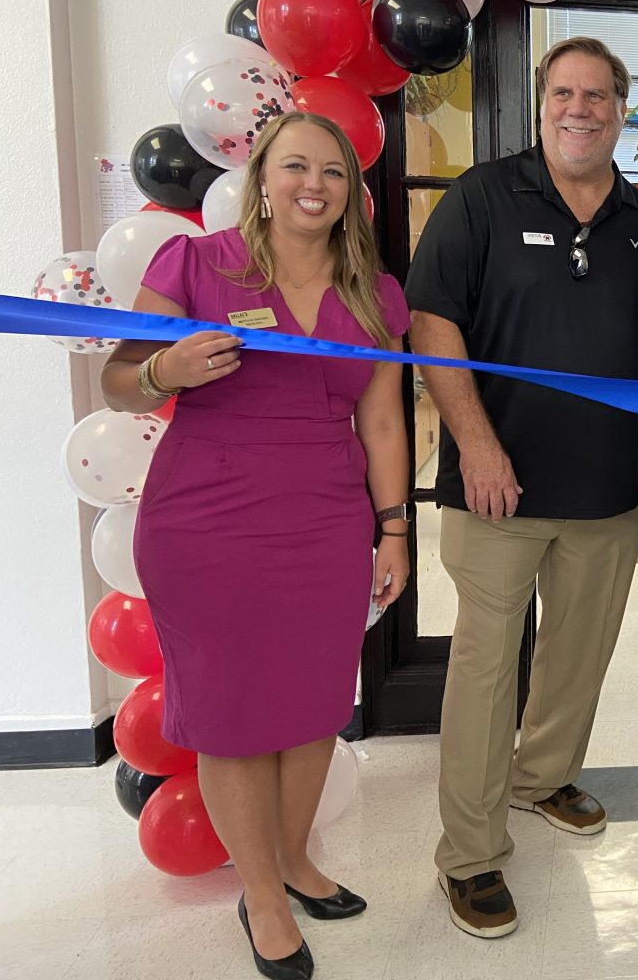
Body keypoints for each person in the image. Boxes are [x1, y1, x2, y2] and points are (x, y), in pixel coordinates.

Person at [103, 112, 411, 980]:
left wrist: (394, 525)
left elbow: (382, 417)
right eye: (294, 166)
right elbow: (119, 379)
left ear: (352, 191)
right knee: (236, 721)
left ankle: (294, 858)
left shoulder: (376, 294)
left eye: (334, 172)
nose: (313, 183)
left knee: (314, 708)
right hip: (208, 521)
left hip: (324, 521)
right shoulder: (194, 264)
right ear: (261, 180)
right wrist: (166, 372)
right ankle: (264, 896)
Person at [405, 37, 638, 938]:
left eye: (598, 95)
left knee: (579, 657)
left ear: (620, 110)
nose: (580, 109)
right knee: (483, 671)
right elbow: (433, 321)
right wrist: (474, 444)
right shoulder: (482, 197)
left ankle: (540, 777)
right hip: (496, 488)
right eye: (564, 93)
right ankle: (470, 855)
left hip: (603, 490)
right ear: (542, 103)